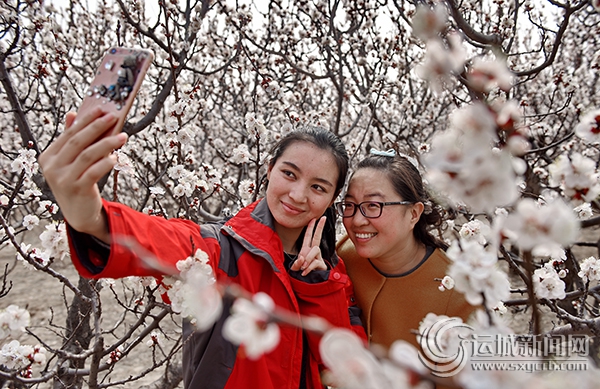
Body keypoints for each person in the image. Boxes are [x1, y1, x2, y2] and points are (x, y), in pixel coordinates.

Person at [38, 108, 366, 389]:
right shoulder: (220, 248)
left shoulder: (332, 274)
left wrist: (317, 288)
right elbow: (167, 239)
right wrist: (92, 219)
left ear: (332, 198)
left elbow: (341, 368)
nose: (297, 194)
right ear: (269, 170)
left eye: (317, 187)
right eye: (289, 173)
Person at [336, 150, 475, 351]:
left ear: (413, 213)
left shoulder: (457, 290)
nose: (357, 220)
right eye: (350, 205)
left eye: (373, 205)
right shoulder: (343, 255)